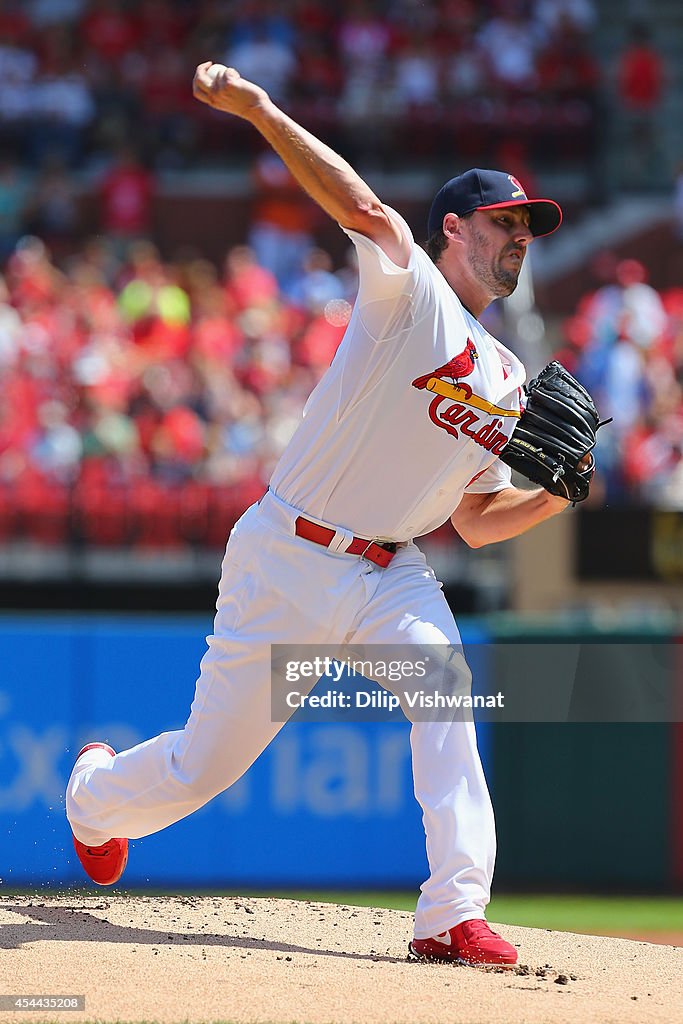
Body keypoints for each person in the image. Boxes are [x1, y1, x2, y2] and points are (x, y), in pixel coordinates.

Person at [66, 62, 568, 968]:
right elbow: (366, 210)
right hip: (285, 557)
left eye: (528, 227)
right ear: (452, 228)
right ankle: (93, 797)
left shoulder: (508, 379)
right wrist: (259, 109)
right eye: (504, 220)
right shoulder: (406, 292)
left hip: (392, 571)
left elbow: (477, 521)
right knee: (200, 769)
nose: (519, 237)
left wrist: (559, 495)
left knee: (446, 695)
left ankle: (451, 915)